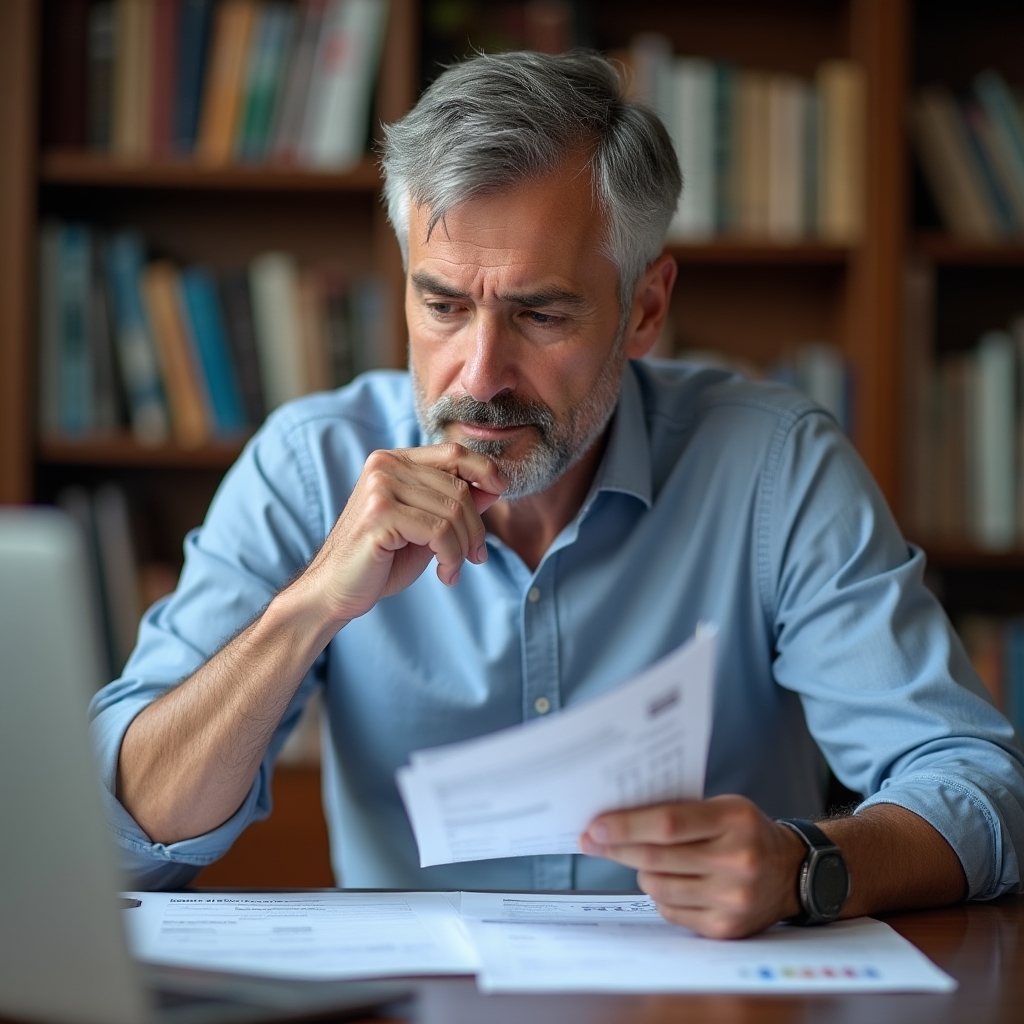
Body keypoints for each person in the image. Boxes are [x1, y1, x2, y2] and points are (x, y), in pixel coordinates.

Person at [91, 50, 1024, 939]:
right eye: (444, 306)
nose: (481, 374)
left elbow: (981, 784)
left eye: (541, 313)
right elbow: (118, 840)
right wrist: (304, 612)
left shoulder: (774, 467)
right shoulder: (307, 465)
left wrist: (807, 863)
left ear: (645, 308)